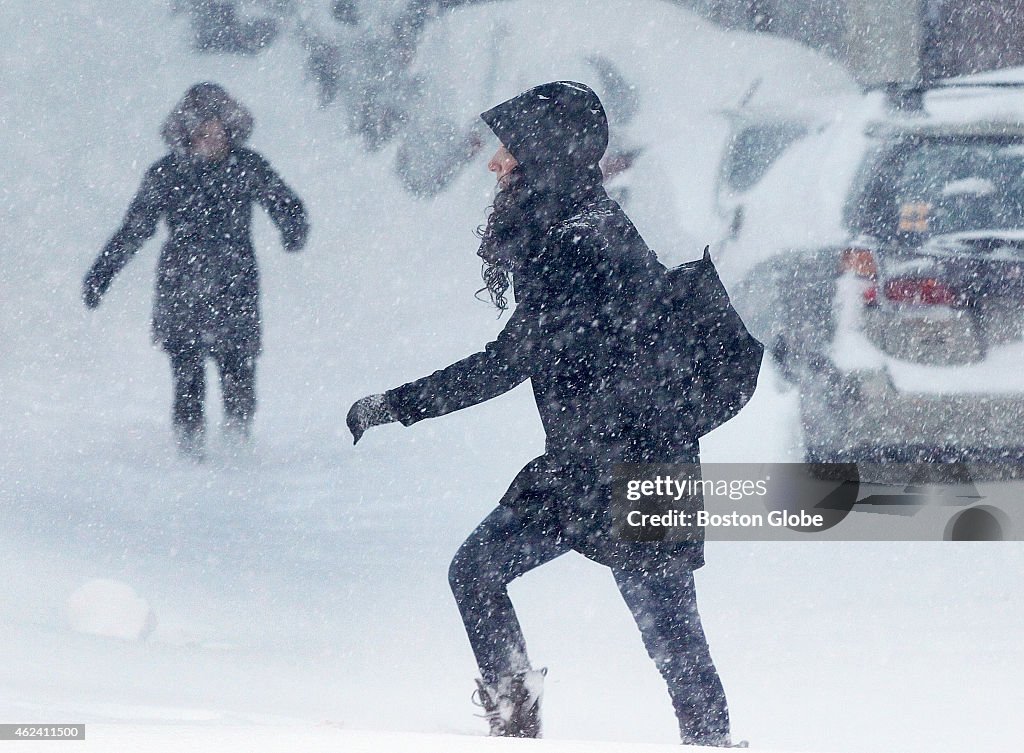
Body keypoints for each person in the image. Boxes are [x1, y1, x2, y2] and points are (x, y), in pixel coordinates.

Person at [347, 81, 740, 746]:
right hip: (598, 462)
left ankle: (693, 740)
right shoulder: (573, 226)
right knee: (499, 577)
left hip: (631, 464)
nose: (496, 163)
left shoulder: (579, 242)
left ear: (544, 157)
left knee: (667, 629)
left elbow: (509, 360)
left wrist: (399, 405)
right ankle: (520, 717)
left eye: (509, 149)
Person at [83, 83, 309, 457]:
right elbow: (136, 228)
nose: (211, 139)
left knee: (238, 373)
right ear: (186, 134)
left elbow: (284, 202)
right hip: (182, 286)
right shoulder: (167, 173)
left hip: (235, 285)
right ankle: (189, 453)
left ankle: (238, 445)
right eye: (202, 132)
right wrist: (102, 274)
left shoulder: (247, 166)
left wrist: (293, 229)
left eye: (219, 131)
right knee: (187, 377)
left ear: (230, 131)